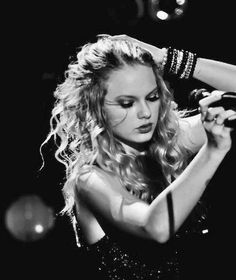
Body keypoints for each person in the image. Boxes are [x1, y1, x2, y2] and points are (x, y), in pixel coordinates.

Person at [40, 34, 236, 279]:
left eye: (152, 98)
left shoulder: (170, 143)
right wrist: (213, 151)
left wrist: (168, 59)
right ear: (95, 107)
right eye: (126, 103)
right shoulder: (89, 179)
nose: (145, 113)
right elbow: (156, 228)